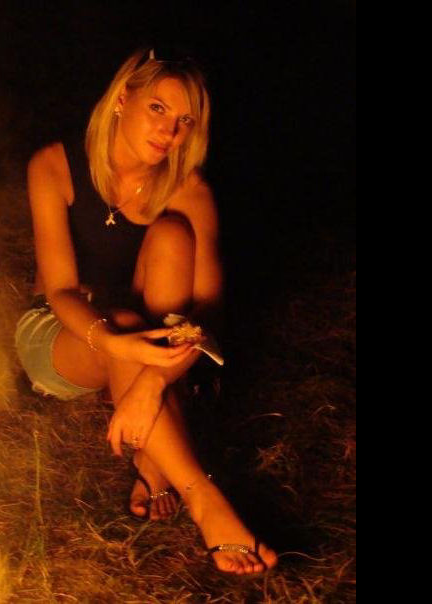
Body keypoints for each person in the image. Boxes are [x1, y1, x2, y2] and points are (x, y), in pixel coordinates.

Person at [15, 47, 278, 574]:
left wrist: (152, 383)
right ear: (122, 99)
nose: (169, 131)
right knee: (127, 325)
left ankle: (150, 451)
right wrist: (116, 344)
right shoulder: (55, 166)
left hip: (149, 342)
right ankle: (204, 500)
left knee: (172, 234)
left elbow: (207, 316)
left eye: (185, 121)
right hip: (64, 332)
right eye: (158, 108)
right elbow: (61, 290)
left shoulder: (189, 190)